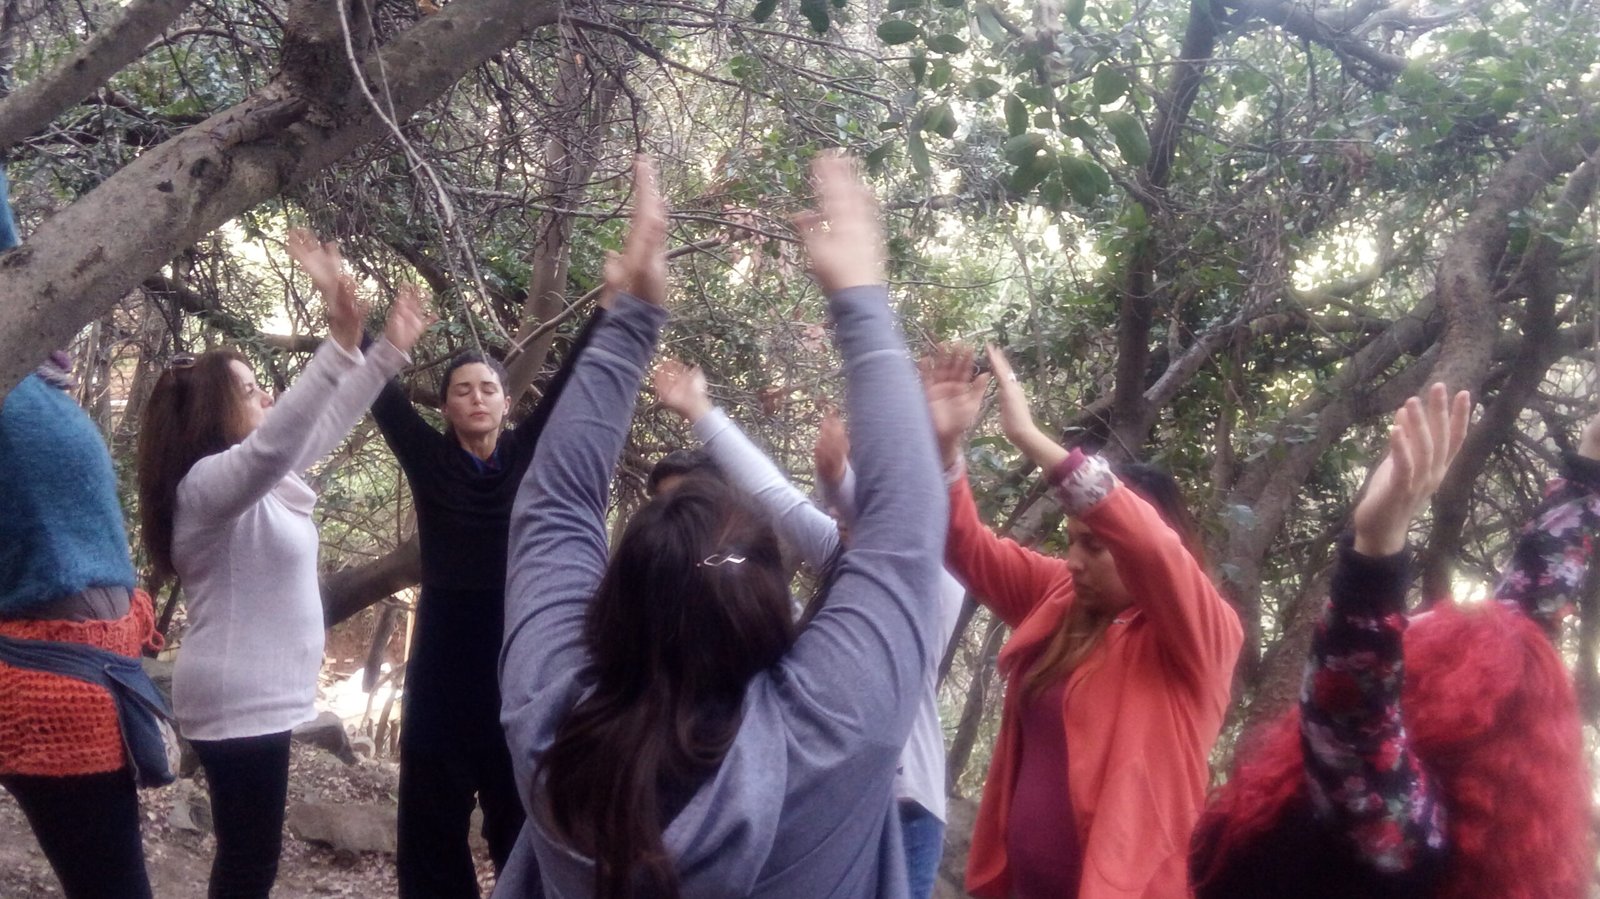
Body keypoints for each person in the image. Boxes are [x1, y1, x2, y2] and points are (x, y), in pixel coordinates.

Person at [495, 153, 946, 898]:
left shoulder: (548, 719)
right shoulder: (834, 729)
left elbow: (555, 507)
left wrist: (631, 318)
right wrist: (861, 301)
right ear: (770, 602)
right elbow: (907, 528)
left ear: (616, 596)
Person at [1190, 385, 1593, 899]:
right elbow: (1527, 622)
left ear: (1452, 706)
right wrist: (1589, 467)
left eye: (1429, 647)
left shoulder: (1403, 838)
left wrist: (1375, 554)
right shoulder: (1449, 829)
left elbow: (1354, 724)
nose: (1414, 630)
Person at [136, 232, 427, 898]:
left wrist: (384, 351)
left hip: (254, 698)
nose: (265, 394)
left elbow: (317, 428)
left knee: (250, 860)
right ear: (213, 410)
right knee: (249, 863)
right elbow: (277, 444)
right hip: (236, 697)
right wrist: (337, 345)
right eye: (248, 389)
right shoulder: (208, 485)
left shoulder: (251, 485)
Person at [921, 343, 1243, 899]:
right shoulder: (1061, 597)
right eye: (1071, 542)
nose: (1072, 561)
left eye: (1094, 545)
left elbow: (1148, 543)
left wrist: (1030, 437)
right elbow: (966, 546)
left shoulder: (1202, 638)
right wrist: (944, 450)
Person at [653, 363, 963, 899]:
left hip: (904, 807)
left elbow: (896, 519)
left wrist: (842, 482)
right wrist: (700, 409)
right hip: (829, 793)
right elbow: (776, 495)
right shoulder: (839, 554)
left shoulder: (931, 585)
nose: (840, 518)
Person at [365, 296, 607, 899]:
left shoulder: (526, 453)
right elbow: (382, 397)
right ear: (447, 407)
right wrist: (353, 324)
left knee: (519, 805)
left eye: (488, 389)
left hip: (514, 654)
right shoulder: (429, 458)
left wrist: (609, 306)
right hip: (443, 657)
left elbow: (572, 381)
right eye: (463, 390)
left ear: (506, 402)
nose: (477, 398)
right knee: (431, 813)